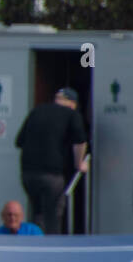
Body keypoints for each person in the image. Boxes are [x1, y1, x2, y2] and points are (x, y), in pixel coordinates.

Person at [14, 88, 88, 234]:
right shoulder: (72, 114)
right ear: (72, 103)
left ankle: (37, 244)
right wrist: (79, 164)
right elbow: (80, 141)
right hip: (52, 174)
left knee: (37, 212)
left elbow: (19, 141)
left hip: (28, 173)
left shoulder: (36, 111)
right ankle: (52, 247)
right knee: (53, 215)